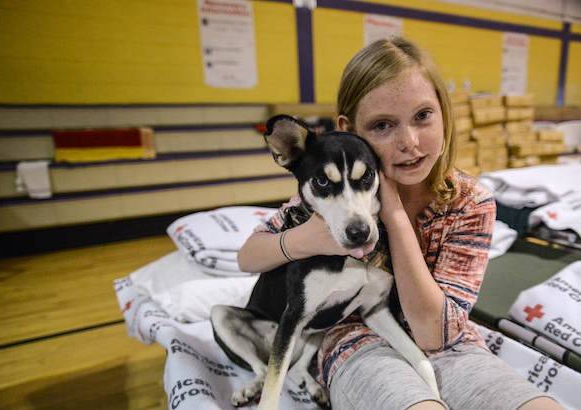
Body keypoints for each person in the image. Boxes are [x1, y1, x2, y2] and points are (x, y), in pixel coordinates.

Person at [238, 37, 562, 410]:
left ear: (444, 113)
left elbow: (433, 333)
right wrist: (303, 240)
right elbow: (248, 257)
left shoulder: (470, 204)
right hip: (349, 340)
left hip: (446, 342)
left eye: (423, 116)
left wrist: (391, 213)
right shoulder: (329, 202)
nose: (409, 141)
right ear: (350, 131)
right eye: (382, 125)